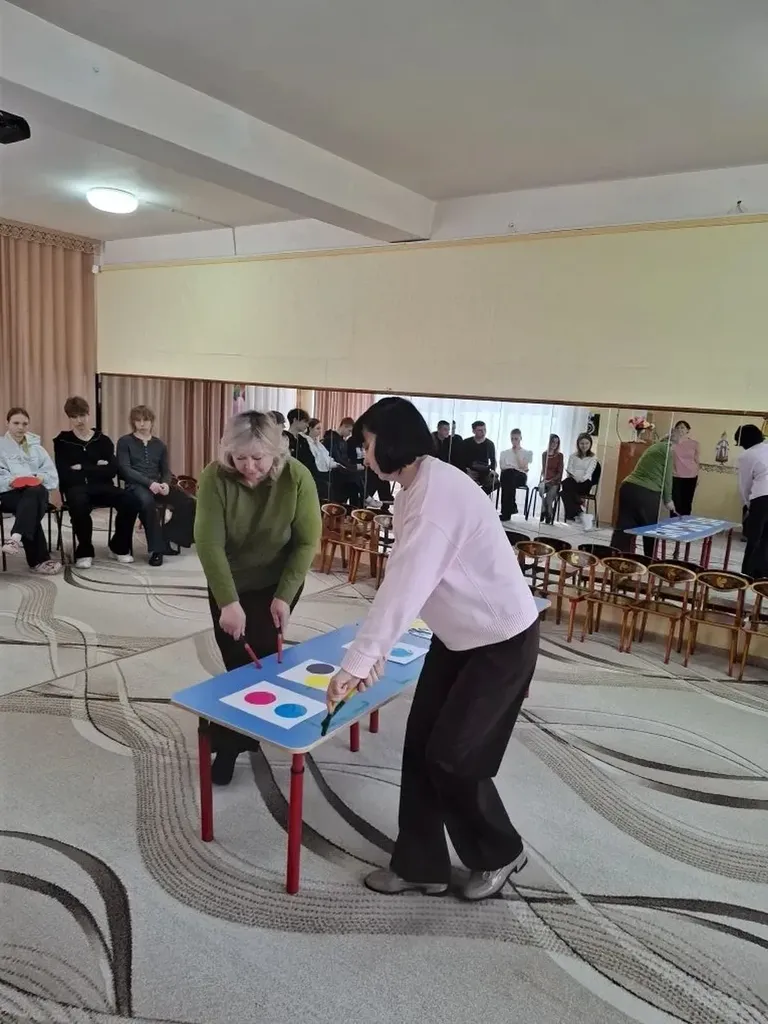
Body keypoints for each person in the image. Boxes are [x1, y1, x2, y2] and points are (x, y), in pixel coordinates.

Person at [325, 398, 539, 901]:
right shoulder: (413, 487)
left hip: (500, 642)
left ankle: (501, 851)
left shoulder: (435, 497)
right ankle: (420, 865)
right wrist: (375, 655)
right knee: (421, 747)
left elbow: (403, 587)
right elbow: (412, 583)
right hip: (457, 637)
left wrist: (356, 663)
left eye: (367, 443)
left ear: (392, 441)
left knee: (452, 756)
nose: (363, 453)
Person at [194, 411, 322, 785]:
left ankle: (230, 744)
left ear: (276, 451)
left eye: (258, 458)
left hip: (277, 580)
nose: (249, 467)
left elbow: (306, 543)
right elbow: (208, 543)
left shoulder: (297, 477)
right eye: (241, 458)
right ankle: (241, 734)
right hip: (229, 579)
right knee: (236, 655)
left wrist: (284, 596)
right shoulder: (214, 477)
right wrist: (227, 602)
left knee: (261, 658)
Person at [53, 395, 135, 568]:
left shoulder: (102, 440)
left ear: (88, 414)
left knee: (130, 500)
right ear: (69, 418)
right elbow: (64, 472)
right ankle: (84, 551)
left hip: (103, 487)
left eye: (82, 415)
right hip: (76, 488)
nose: (79, 420)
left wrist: (82, 467)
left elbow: (112, 470)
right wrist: (97, 466)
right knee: (79, 503)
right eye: (74, 416)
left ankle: (118, 546)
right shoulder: (62, 441)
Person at [116, 405, 196, 567]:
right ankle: (156, 550)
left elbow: (165, 470)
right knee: (148, 504)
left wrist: (165, 484)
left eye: (145, 420)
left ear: (152, 422)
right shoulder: (125, 442)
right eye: (138, 420)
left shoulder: (159, 445)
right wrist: (149, 483)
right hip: (136, 486)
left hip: (158, 484)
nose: (142, 424)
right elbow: (125, 469)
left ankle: (166, 535)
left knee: (189, 502)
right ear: (133, 422)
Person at [0, 406, 62, 574]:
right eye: (16, 423)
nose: (20, 427)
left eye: (24, 424)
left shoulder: (37, 449)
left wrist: (39, 477)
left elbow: (52, 475)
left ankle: (15, 537)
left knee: (35, 492)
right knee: (33, 503)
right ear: (7, 423)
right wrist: (11, 481)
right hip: (8, 495)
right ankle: (39, 560)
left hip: (34, 492)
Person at [611, 432, 677, 557]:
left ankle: (616, 556)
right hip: (647, 491)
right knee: (650, 530)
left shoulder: (654, 447)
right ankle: (650, 559)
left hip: (628, 487)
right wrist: (668, 500)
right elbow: (667, 477)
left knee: (624, 528)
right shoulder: (667, 450)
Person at [736, 424, 768, 580]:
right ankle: (764, 575)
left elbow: (745, 484)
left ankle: (748, 574)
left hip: (762, 498)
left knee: (755, 538)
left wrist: (748, 504)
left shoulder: (747, 455)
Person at [561, 433, 599, 522]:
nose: (584, 446)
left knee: (564, 491)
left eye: (586, 443)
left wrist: (581, 479)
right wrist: (575, 478)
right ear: (578, 444)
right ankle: (580, 511)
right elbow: (570, 469)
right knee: (565, 483)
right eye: (582, 443)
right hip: (573, 480)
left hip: (585, 483)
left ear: (590, 444)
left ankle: (574, 513)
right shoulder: (573, 456)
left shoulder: (593, 458)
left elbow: (589, 473)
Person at [498, 429, 532, 520]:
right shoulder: (504, 453)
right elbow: (502, 466)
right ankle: (510, 509)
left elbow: (523, 467)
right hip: (508, 475)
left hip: (520, 476)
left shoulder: (527, 453)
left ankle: (507, 511)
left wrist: (516, 453)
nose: (514, 441)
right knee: (507, 476)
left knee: (508, 476)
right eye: (512, 439)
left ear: (521, 438)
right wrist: (513, 467)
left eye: (516, 439)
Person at [671, 420, 700, 517]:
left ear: (688, 430)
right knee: (675, 503)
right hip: (676, 476)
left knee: (687, 503)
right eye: (678, 428)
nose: (680, 429)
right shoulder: (671, 443)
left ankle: (685, 522)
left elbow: (697, 461)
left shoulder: (694, 444)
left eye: (682, 427)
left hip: (691, 476)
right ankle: (673, 523)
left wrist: (698, 476)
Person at [462, 421, 497, 494]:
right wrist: (466, 469)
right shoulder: (466, 442)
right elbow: (461, 459)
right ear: (474, 431)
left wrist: (493, 470)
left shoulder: (490, 444)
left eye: (484, 429)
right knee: (465, 483)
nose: (483, 432)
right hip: (470, 471)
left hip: (484, 471)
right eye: (480, 430)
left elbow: (493, 460)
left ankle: (479, 494)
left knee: (495, 483)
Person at [538, 434, 563, 524]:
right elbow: (544, 469)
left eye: (556, 443)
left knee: (549, 496)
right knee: (541, 489)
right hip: (546, 479)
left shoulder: (560, 456)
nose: (554, 444)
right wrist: (545, 479)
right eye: (553, 442)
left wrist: (551, 480)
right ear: (549, 442)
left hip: (555, 481)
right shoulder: (544, 454)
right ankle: (548, 511)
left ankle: (546, 511)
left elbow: (560, 472)